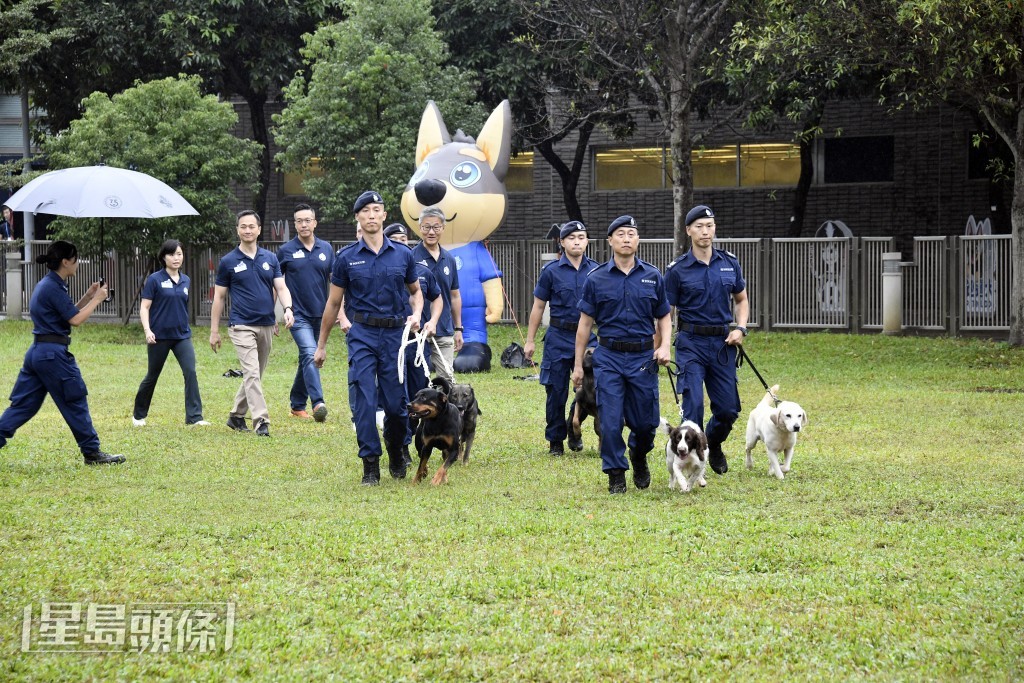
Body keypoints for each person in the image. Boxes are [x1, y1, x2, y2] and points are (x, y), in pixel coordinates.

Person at [315, 191, 423, 485]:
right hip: (361, 334)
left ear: (384, 216)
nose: (372, 215)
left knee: (396, 405)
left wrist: (416, 314)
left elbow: (416, 293)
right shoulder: (346, 258)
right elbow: (333, 304)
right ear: (358, 219)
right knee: (363, 400)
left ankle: (397, 449)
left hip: (394, 337)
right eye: (366, 211)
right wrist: (322, 345)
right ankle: (370, 464)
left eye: (377, 210)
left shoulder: (403, 254)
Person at [0, 241, 124, 464]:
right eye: (75, 260)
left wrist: (87, 296)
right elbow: (75, 320)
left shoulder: (49, 285)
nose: (77, 264)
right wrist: (97, 300)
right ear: (65, 262)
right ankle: (92, 453)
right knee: (74, 401)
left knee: (24, 405)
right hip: (53, 356)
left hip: (38, 352)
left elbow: (67, 313)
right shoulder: (53, 287)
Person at [572, 216, 672, 494]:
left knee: (646, 423)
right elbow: (584, 326)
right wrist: (578, 365)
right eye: (620, 234)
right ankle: (616, 471)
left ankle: (638, 456)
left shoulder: (653, 276)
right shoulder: (596, 279)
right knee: (611, 421)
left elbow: (664, 317)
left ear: (637, 240)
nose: (626, 238)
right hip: (609, 358)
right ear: (610, 241)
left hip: (643, 358)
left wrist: (664, 346)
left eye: (631, 233)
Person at [664, 205, 749, 475]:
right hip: (691, 343)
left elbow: (741, 299)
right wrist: (662, 345)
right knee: (694, 406)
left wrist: (741, 328)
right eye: (699, 226)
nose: (705, 231)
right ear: (688, 230)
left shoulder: (729, 262)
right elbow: (665, 312)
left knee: (728, 410)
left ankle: (710, 442)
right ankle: (691, 458)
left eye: (709, 226)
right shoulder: (677, 269)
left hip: (723, 344)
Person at [210, 210, 295, 437]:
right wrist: (214, 331)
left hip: (266, 324)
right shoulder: (228, 261)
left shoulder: (270, 258)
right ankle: (261, 421)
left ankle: (236, 416)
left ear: (258, 229)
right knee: (251, 372)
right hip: (241, 325)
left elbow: (281, 288)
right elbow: (218, 298)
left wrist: (287, 309)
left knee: (255, 374)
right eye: (243, 226)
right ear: (237, 230)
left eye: (251, 226)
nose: (247, 230)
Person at [524, 221, 600, 455]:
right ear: (562, 242)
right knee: (556, 390)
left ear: (587, 241)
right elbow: (538, 307)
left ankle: (573, 426)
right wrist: (530, 340)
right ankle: (556, 440)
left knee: (592, 388)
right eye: (571, 237)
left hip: (588, 338)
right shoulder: (551, 271)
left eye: (581, 237)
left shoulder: (597, 271)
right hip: (559, 336)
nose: (577, 241)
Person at [131, 239, 208, 427]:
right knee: (152, 375)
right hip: (159, 337)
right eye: (172, 254)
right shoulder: (155, 280)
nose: (176, 258)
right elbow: (144, 308)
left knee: (190, 372)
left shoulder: (186, 280)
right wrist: (147, 330)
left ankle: (194, 417)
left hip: (182, 335)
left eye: (179, 254)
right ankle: (138, 415)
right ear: (164, 257)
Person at [384, 222, 442, 463]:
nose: (401, 243)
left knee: (422, 394)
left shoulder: (422, 270)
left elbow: (437, 299)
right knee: (399, 397)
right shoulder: (383, 271)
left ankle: (424, 441)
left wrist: (433, 322)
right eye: (394, 239)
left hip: (417, 344)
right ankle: (403, 446)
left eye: (404, 238)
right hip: (391, 343)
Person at [277, 204, 334, 422]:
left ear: (315, 223)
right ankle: (318, 402)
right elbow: (277, 284)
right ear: (295, 224)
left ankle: (296, 405)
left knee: (306, 358)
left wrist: (341, 311)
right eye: (299, 221)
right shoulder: (286, 251)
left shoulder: (326, 249)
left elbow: (336, 282)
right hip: (297, 315)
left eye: (307, 220)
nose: (303, 224)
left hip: (321, 315)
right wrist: (275, 316)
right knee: (311, 353)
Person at [410, 207, 463, 383]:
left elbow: (454, 296)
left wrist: (458, 328)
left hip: (444, 328)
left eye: (436, 227)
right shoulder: (410, 257)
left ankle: (447, 411)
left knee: (446, 379)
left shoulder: (449, 259)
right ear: (420, 228)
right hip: (416, 331)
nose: (431, 232)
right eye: (426, 227)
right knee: (417, 379)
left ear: (443, 228)